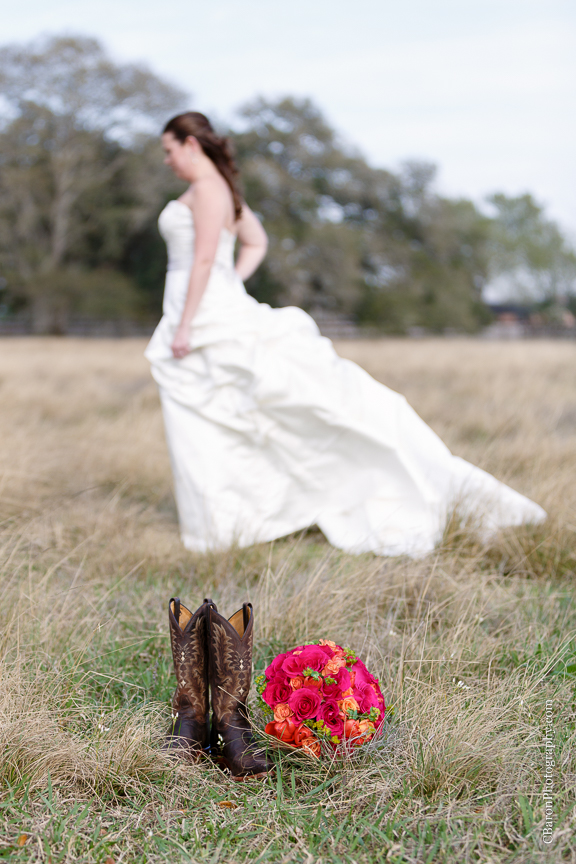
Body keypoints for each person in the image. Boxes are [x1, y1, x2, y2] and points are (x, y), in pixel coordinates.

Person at [145, 112, 546, 558]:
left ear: (191, 145)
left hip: (201, 314)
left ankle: (226, 524)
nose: (167, 160)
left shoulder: (206, 189)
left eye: (169, 150)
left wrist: (189, 320)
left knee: (227, 409)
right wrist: (228, 282)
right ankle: (232, 519)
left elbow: (203, 260)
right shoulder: (223, 190)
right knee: (225, 412)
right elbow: (254, 242)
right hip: (210, 305)